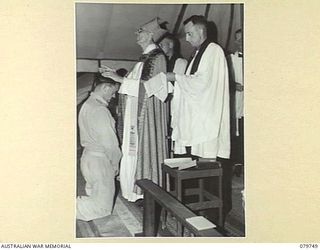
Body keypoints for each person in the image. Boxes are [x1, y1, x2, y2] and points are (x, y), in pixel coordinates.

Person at [166, 15, 232, 224]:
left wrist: (176, 77)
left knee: (210, 165)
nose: (186, 38)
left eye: (190, 33)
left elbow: (203, 83)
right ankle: (200, 208)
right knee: (198, 164)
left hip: (209, 120)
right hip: (200, 120)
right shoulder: (198, 54)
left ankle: (215, 214)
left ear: (201, 32)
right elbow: (193, 84)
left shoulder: (213, 51)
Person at [101, 18, 169, 202]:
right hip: (133, 113)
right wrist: (115, 76)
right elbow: (132, 83)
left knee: (140, 149)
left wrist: (120, 79)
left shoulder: (158, 58)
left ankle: (145, 192)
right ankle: (132, 190)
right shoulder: (143, 60)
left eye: (140, 32)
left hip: (144, 116)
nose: (137, 36)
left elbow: (149, 87)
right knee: (130, 150)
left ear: (150, 35)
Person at [76, 77, 122, 221]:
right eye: (113, 92)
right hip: (100, 161)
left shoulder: (87, 104)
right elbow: (110, 144)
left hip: (88, 158)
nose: (113, 96)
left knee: (94, 195)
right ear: (106, 88)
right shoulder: (100, 110)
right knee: (102, 208)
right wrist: (115, 163)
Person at [156, 32, 188, 157]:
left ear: (171, 45)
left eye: (161, 45)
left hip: (176, 106)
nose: (159, 48)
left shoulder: (180, 62)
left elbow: (176, 85)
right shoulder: (163, 63)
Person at [228, 29, 244, 176]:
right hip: (237, 101)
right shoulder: (231, 59)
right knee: (237, 133)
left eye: (242, 39)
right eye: (237, 39)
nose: (239, 43)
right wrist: (234, 85)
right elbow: (223, 80)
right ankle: (238, 163)